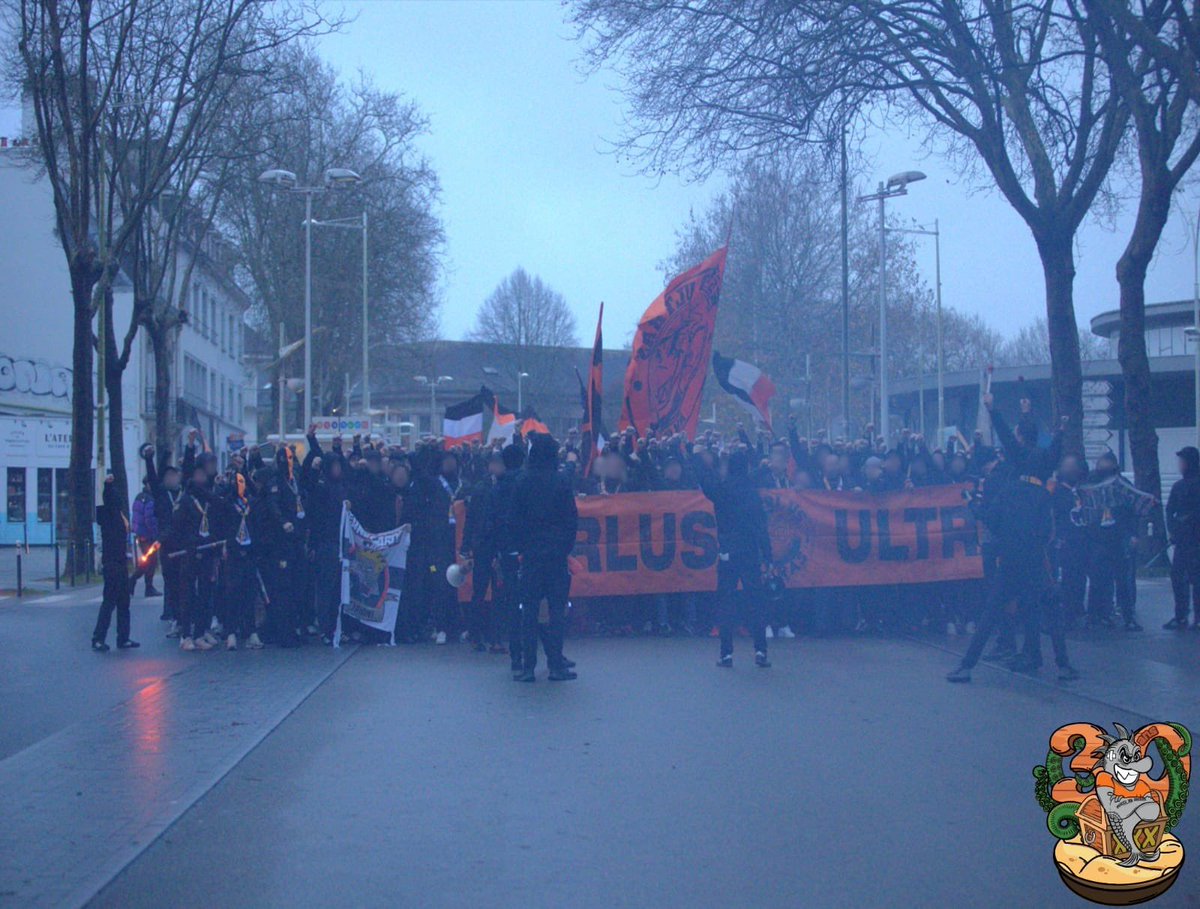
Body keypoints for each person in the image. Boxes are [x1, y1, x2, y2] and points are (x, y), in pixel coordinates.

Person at [511, 434, 579, 682]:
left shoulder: (522, 481)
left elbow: (514, 519)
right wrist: (563, 549)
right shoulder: (561, 481)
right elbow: (571, 520)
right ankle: (555, 664)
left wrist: (523, 548)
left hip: (531, 556)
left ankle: (528, 666)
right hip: (555, 556)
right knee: (556, 611)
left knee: (528, 611)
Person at [700, 448, 773, 669]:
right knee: (755, 600)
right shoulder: (752, 492)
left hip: (728, 552)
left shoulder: (722, 490)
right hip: (750, 551)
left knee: (726, 601)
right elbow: (761, 526)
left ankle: (726, 654)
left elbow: (706, 483)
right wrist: (767, 555)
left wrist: (698, 457)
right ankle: (761, 651)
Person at [91, 475, 139, 651]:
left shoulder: (118, 516)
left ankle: (122, 637)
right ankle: (99, 637)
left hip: (119, 561)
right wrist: (108, 486)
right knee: (110, 602)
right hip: (113, 563)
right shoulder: (110, 516)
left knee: (122, 602)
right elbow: (108, 498)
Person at [1166, 446, 1200, 630]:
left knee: (1197, 578)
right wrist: (1172, 529)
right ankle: (1180, 615)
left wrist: (1190, 518)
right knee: (1177, 576)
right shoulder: (1178, 486)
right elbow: (1170, 509)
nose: (1180, 465)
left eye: (1182, 461)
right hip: (1182, 539)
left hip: (1197, 539)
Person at [131, 479, 161, 597]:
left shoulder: (139, 497)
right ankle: (144, 585)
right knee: (150, 561)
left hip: (141, 534)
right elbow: (150, 519)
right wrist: (155, 534)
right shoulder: (150, 499)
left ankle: (135, 581)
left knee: (147, 560)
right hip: (148, 536)